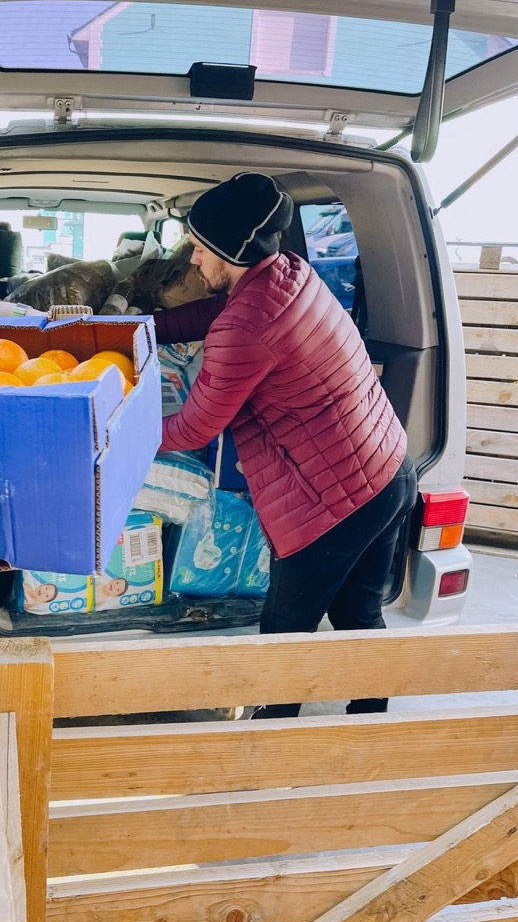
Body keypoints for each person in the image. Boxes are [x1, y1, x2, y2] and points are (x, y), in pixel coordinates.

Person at [154, 172, 418, 717]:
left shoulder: (246, 328)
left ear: (229, 251)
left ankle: (270, 747)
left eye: (200, 247)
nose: (193, 258)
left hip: (336, 502)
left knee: (282, 635)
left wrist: (109, 431)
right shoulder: (289, 274)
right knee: (358, 614)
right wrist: (144, 326)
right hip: (389, 466)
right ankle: (370, 729)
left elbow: (194, 429)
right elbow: (216, 313)